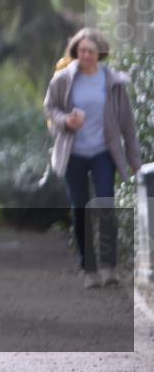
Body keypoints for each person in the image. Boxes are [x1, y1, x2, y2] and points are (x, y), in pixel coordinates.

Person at [44, 28, 142, 289]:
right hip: (73, 153)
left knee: (106, 205)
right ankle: (89, 270)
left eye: (90, 50)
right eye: (81, 50)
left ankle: (109, 267)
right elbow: (50, 108)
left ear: (100, 52)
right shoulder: (63, 79)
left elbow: (127, 125)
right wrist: (67, 120)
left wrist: (135, 162)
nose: (85, 55)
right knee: (80, 209)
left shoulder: (113, 82)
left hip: (103, 152)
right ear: (76, 51)